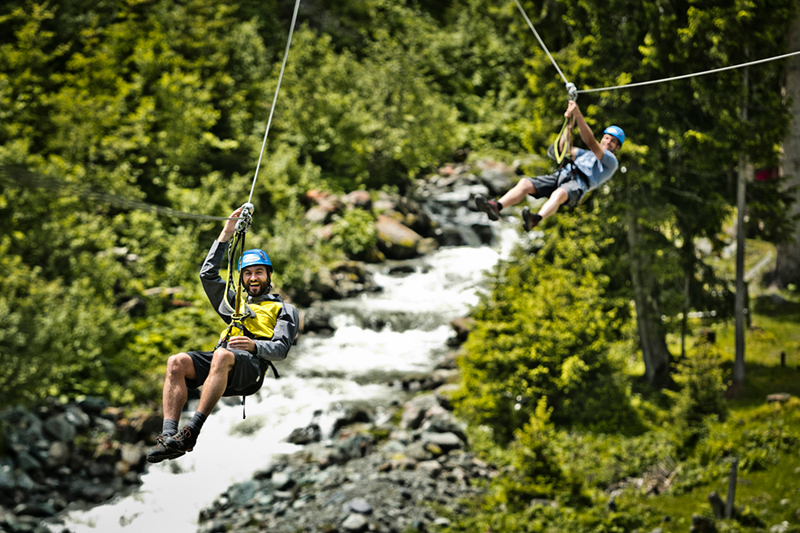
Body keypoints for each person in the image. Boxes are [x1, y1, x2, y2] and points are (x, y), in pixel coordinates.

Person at [146, 207, 299, 463]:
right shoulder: (235, 304)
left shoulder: (284, 309)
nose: (253, 278)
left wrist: (254, 346)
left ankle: (191, 432)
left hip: (250, 370)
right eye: (248, 273)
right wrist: (226, 232)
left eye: (259, 272)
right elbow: (207, 275)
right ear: (242, 277)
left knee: (221, 355)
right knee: (176, 362)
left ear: (269, 275)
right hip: (225, 364)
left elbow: (281, 349)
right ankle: (169, 437)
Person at [475, 100, 624, 231]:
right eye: (606, 138)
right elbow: (563, 148)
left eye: (612, 142)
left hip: (577, 185)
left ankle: (536, 219)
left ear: (617, 148)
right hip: (561, 176)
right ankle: (496, 206)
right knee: (525, 183)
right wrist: (569, 124)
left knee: (559, 193)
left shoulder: (610, 161)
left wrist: (578, 114)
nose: (608, 142)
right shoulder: (584, 154)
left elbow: (591, 142)